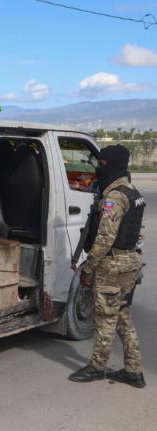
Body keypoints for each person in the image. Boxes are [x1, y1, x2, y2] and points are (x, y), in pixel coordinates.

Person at [68, 145, 146, 388]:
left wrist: (88, 268)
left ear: (114, 165)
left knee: (104, 319)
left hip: (112, 265)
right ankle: (133, 371)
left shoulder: (114, 197)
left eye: (102, 165)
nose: (98, 169)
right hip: (129, 262)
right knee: (121, 315)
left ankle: (97, 367)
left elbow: (104, 239)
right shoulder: (132, 191)